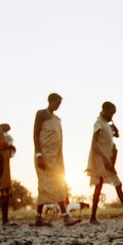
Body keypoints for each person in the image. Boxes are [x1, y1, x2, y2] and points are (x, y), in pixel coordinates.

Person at [86, 101, 123, 224]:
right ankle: (94, 217)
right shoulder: (98, 123)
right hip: (101, 160)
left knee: (109, 185)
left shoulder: (106, 124)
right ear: (104, 110)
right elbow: (94, 144)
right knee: (105, 185)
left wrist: (113, 124)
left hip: (108, 159)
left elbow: (117, 135)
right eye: (111, 113)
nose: (112, 116)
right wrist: (105, 159)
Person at [33, 93, 80, 227]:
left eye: (60, 104)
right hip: (44, 155)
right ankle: (64, 217)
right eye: (57, 103)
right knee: (45, 185)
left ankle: (40, 217)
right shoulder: (41, 114)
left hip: (55, 156)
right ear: (50, 101)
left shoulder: (57, 119)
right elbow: (35, 135)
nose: (58, 106)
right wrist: (38, 155)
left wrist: (60, 158)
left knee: (58, 184)